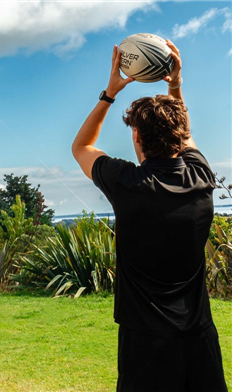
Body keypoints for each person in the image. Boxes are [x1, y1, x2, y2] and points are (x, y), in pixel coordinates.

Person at [71, 41, 228, 391]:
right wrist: (174, 85)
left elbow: (81, 147)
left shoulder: (129, 183)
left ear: (137, 137)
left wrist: (110, 92)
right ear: (180, 135)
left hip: (146, 345)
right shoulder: (201, 177)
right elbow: (185, 138)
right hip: (200, 337)